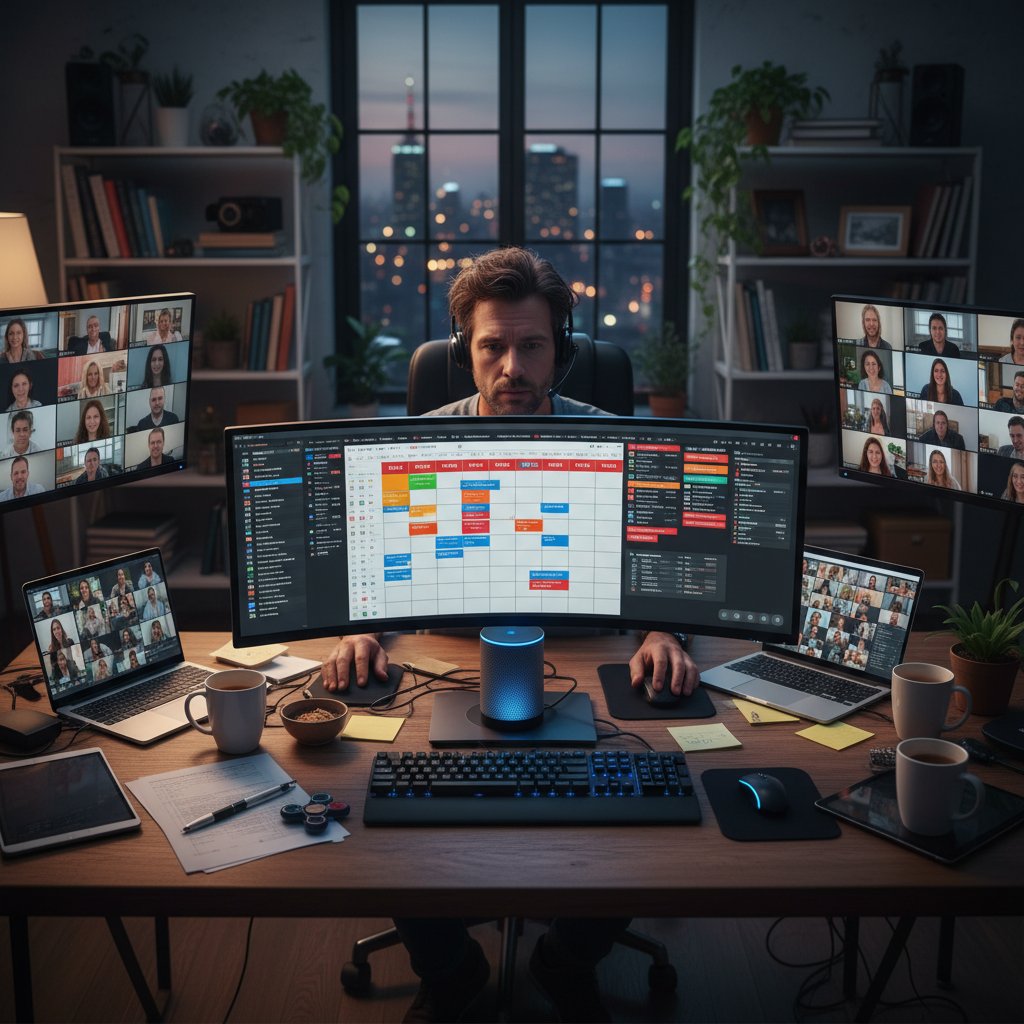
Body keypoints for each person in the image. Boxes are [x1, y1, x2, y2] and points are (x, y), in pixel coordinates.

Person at [322, 246, 694, 1023]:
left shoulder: (613, 443)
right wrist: (368, 634)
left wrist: (662, 628)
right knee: (379, 801)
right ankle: (451, 971)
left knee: (647, 807)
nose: (513, 367)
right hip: (445, 671)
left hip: (589, 671)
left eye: (533, 346)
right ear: (465, 350)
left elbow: (660, 560)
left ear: (562, 347)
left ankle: (568, 959)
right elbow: (381, 572)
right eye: (493, 346)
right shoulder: (420, 445)